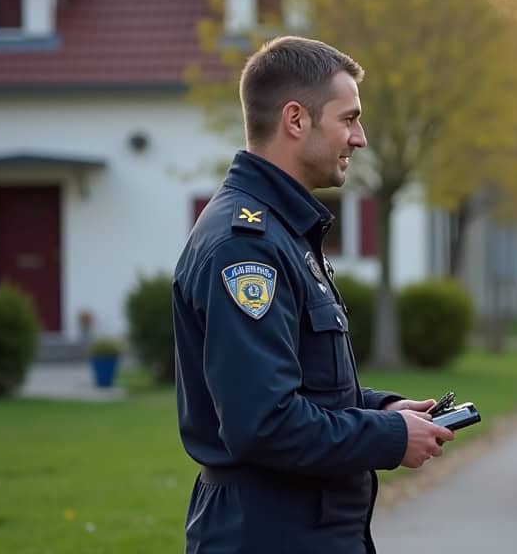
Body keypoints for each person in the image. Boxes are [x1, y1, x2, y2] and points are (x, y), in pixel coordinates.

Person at [173, 36, 454, 554]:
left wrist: (385, 410)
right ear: (296, 120)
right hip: (271, 531)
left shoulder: (281, 229)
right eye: (349, 119)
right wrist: (390, 439)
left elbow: (299, 384)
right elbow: (265, 423)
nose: (361, 139)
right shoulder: (246, 246)